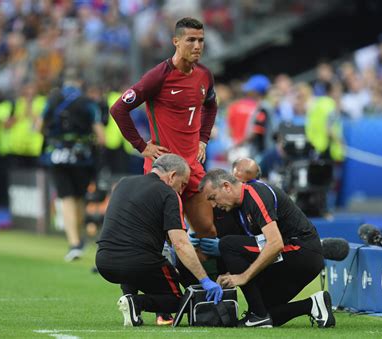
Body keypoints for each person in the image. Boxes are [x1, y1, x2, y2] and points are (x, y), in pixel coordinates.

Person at [109, 17, 218, 239]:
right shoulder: (158, 76)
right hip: (164, 166)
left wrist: (203, 139)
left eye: (201, 40)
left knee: (208, 231)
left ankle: (199, 275)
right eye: (191, 40)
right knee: (162, 235)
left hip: (193, 166)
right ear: (176, 42)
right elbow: (118, 109)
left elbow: (211, 105)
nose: (197, 46)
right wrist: (141, 146)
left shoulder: (204, 75)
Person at [95, 154, 223, 327]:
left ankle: (128, 300)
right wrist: (204, 280)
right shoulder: (169, 194)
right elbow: (179, 243)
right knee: (181, 300)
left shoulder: (123, 183)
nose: (181, 190)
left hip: (104, 262)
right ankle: (136, 303)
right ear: (172, 176)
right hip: (138, 261)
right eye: (183, 184)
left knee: (132, 253)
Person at [199, 169, 335, 328]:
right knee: (267, 310)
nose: (214, 205)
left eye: (213, 198)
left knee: (227, 245)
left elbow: (275, 243)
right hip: (294, 256)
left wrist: (243, 276)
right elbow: (254, 246)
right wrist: (233, 272)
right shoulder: (238, 207)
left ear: (227, 186)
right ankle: (313, 304)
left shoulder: (256, 194)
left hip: (302, 250)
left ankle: (258, 317)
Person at [36, 69, 106, 262]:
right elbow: (101, 137)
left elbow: (40, 126)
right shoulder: (88, 103)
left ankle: (74, 243)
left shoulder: (53, 99)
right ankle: (79, 239)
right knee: (80, 197)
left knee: (65, 197)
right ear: (80, 83)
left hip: (58, 156)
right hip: (82, 157)